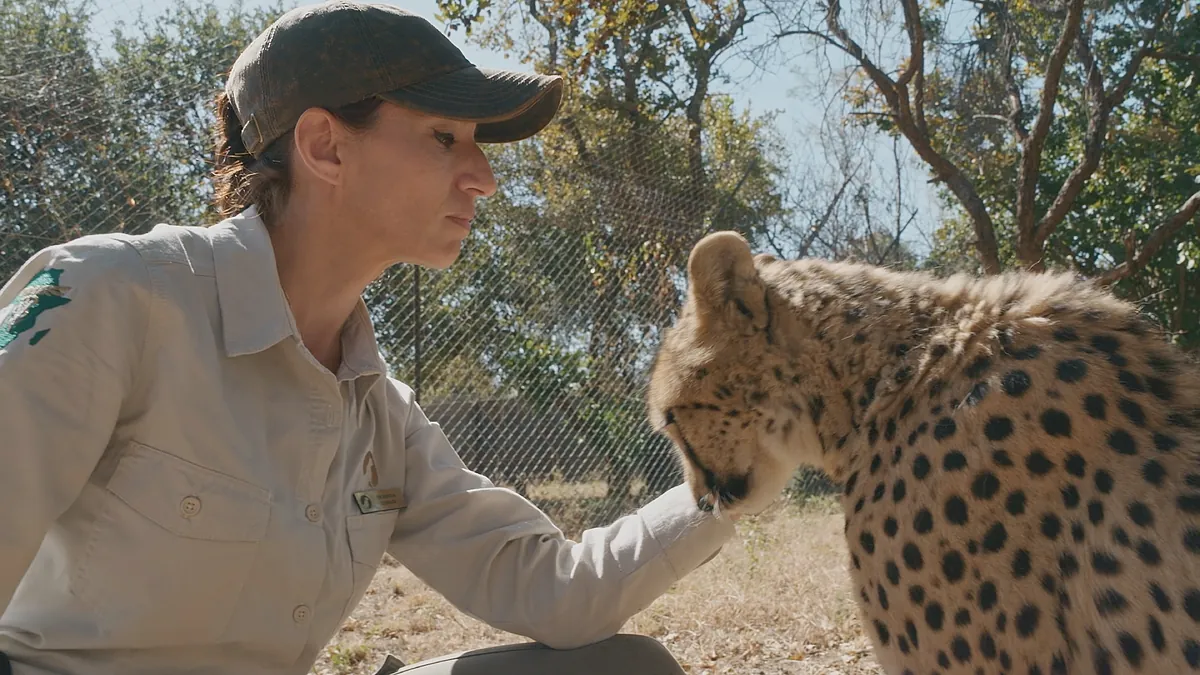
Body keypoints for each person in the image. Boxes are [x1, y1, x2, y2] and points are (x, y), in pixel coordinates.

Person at [0, 2, 739, 674]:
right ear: (325, 146)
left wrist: (738, 470)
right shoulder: (105, 296)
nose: (483, 177)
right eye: (444, 137)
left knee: (625, 667)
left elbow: (556, 590)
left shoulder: (381, 414)